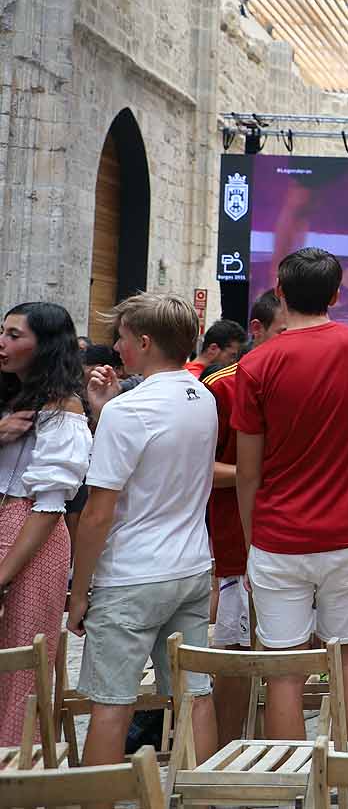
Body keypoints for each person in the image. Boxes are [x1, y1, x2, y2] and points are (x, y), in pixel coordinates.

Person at [231, 248, 348, 809]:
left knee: (285, 669)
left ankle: (296, 792)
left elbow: (248, 471)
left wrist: (252, 541)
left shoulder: (257, 365)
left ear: (279, 292)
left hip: (278, 534)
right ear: (337, 293)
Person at [70, 293, 219, 775]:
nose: (116, 347)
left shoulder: (130, 410)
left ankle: (98, 802)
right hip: (190, 565)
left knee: (112, 703)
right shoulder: (203, 397)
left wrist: (79, 591)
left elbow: (98, 514)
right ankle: (202, 800)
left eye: (123, 338)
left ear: (146, 342)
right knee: (195, 695)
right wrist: (107, 411)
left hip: (132, 574)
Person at [0, 302, 90, 744]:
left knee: (22, 665)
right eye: (3, 332)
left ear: (45, 345)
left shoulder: (63, 408)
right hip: (13, 521)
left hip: (31, 538)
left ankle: (17, 766)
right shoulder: (12, 400)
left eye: (15, 335)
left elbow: (49, 506)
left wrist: (3, 575)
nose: (2, 343)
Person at [202, 290, 287, 744]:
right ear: (258, 330)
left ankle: (282, 754)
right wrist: (254, 473)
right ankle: (228, 751)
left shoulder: (306, 378)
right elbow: (198, 469)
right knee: (236, 658)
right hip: (238, 541)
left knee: (289, 659)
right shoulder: (222, 387)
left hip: (298, 541)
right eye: (284, 331)